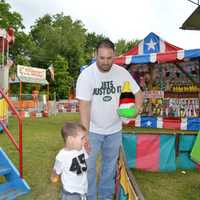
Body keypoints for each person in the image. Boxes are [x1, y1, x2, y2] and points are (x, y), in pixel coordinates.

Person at [76, 39, 143, 200]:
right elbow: (84, 107)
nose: (105, 62)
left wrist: (137, 110)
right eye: (102, 58)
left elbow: (138, 93)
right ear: (95, 55)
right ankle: (90, 197)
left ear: (114, 56)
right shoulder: (86, 75)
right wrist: (84, 134)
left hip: (114, 130)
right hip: (92, 130)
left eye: (109, 58)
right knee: (89, 168)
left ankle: (105, 197)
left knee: (109, 168)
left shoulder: (122, 73)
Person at [51, 122, 88, 200]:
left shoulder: (82, 149)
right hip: (70, 194)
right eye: (82, 138)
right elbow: (56, 171)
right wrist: (54, 177)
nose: (85, 140)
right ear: (71, 140)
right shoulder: (62, 156)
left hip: (82, 190)